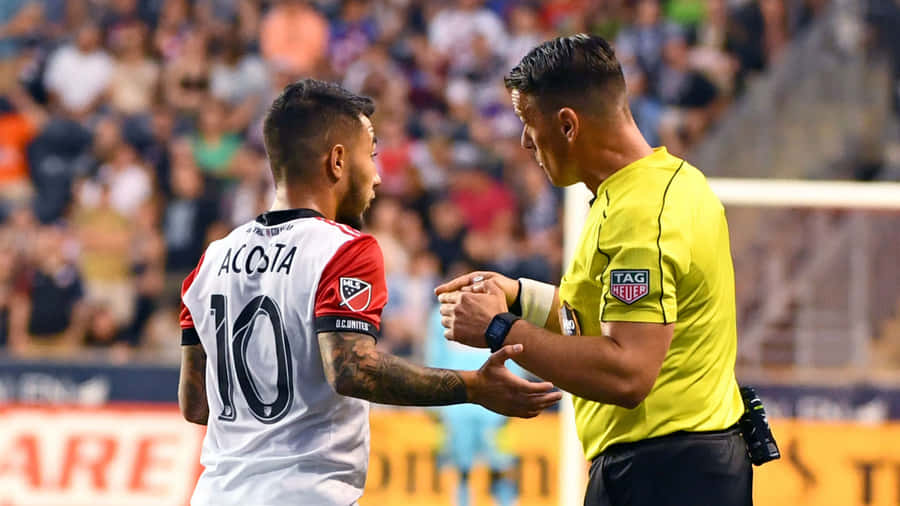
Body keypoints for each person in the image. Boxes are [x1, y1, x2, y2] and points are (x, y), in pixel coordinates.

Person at [177, 79, 561, 506]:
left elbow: (196, 405)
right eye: (371, 154)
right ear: (337, 161)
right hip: (304, 495)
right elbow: (352, 370)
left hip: (215, 493)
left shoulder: (212, 259)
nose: (377, 175)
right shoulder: (343, 249)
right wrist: (473, 387)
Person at [436, 34, 752, 506]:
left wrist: (499, 328)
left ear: (567, 125)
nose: (524, 140)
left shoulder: (643, 214)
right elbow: (594, 319)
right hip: (667, 467)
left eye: (528, 122)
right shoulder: (642, 192)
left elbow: (627, 372)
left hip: (670, 474)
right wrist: (519, 295)